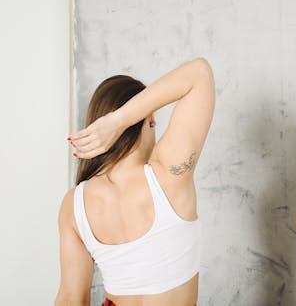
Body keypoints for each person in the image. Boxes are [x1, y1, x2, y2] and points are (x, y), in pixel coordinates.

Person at [55, 58, 215, 306]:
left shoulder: (74, 204)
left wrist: (113, 121)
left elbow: (71, 298)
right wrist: (118, 121)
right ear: (150, 118)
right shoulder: (169, 175)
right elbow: (200, 73)